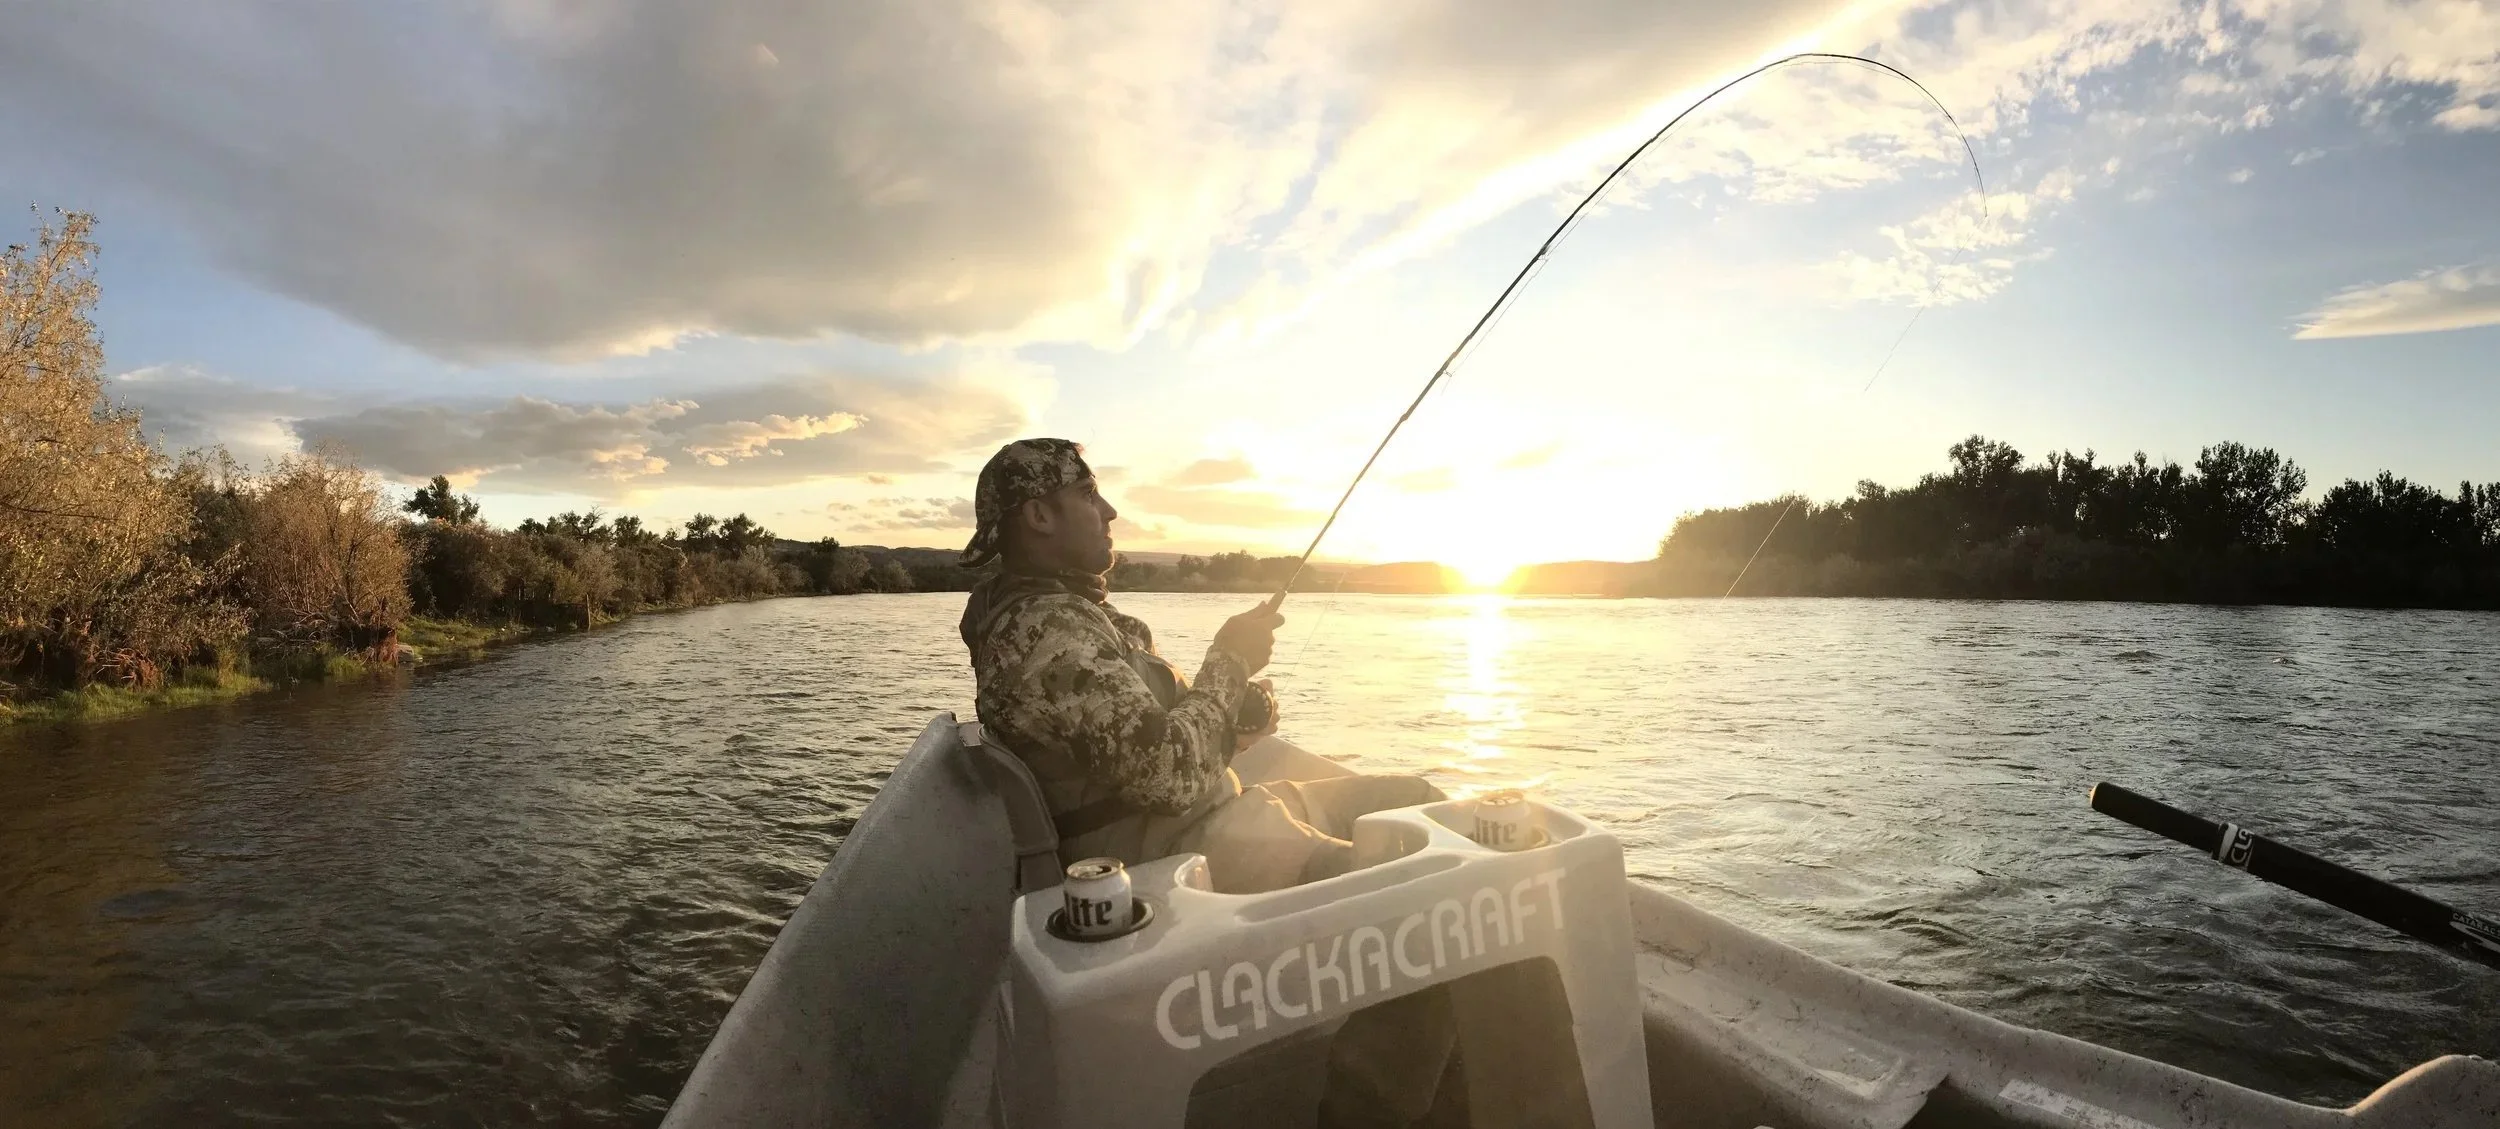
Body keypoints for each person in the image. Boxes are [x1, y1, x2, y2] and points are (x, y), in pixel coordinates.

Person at [959, 438, 1459, 1128]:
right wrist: (1228, 660)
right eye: (1089, 493)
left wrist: (1234, 707)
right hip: (1180, 858)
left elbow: (1154, 739)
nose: (1109, 510)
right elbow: (1168, 773)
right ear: (1039, 514)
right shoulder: (1041, 634)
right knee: (1431, 905)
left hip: (1222, 814)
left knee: (1421, 803)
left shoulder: (1071, 619)